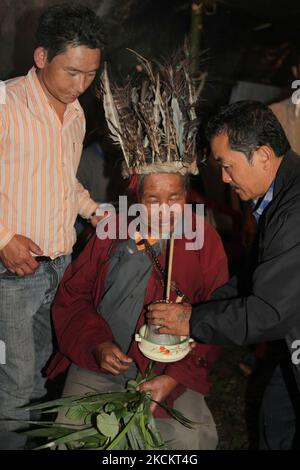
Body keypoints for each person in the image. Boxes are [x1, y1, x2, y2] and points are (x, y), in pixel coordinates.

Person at [46, 53, 229, 450]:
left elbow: (220, 313)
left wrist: (175, 375)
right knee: (73, 430)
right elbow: (73, 297)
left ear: (187, 194)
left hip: (173, 373)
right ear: (135, 197)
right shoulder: (113, 230)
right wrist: (96, 344)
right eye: (152, 199)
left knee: (190, 439)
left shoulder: (204, 237)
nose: (163, 209)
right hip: (102, 364)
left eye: (174, 197)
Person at [147, 100, 300, 449]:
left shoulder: (294, 211)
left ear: (262, 155)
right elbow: (253, 278)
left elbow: (266, 312)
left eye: (227, 166)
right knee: (276, 415)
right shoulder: (278, 195)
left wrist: (192, 320)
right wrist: (199, 309)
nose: (224, 178)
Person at [0, 4, 105, 450]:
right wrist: (2, 237)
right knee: (15, 386)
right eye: (72, 72)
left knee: (44, 375)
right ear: (42, 57)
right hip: (12, 274)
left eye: (90, 75)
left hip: (59, 269)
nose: (81, 85)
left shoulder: (75, 113)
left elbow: (63, 180)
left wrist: (95, 211)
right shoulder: (5, 102)